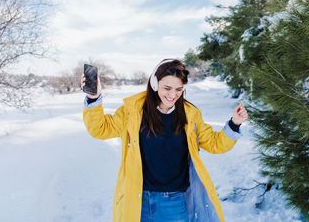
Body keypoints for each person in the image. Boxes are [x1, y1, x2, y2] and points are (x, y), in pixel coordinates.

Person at [81, 59, 248, 222]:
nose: (172, 94)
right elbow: (100, 129)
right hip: (137, 201)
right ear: (155, 83)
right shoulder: (132, 112)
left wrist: (234, 124)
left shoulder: (190, 116)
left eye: (178, 89)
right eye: (167, 87)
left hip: (174, 202)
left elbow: (214, 143)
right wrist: (94, 98)